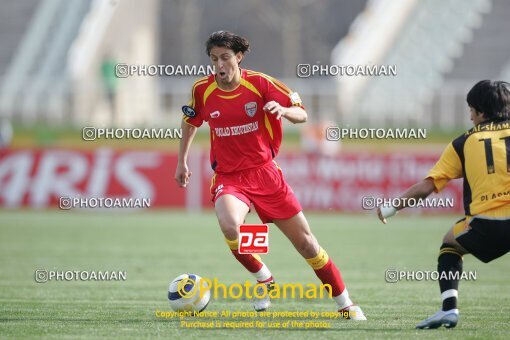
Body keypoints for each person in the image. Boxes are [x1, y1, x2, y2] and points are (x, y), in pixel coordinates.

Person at [175, 31, 366, 320]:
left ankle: (346, 304)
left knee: (307, 244)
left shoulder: (261, 83)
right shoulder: (202, 90)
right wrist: (182, 161)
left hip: (265, 175)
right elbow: (190, 123)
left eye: (225, 57)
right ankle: (265, 278)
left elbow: (303, 114)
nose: (219, 65)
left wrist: (286, 110)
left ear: (238, 57)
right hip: (229, 177)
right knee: (230, 226)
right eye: (214, 59)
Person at [377, 80, 510, 329]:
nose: (470, 117)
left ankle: (449, 310)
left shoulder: (463, 143)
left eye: (471, 110)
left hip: (488, 224)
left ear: (480, 112)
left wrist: (391, 207)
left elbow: (427, 187)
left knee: (450, 245)